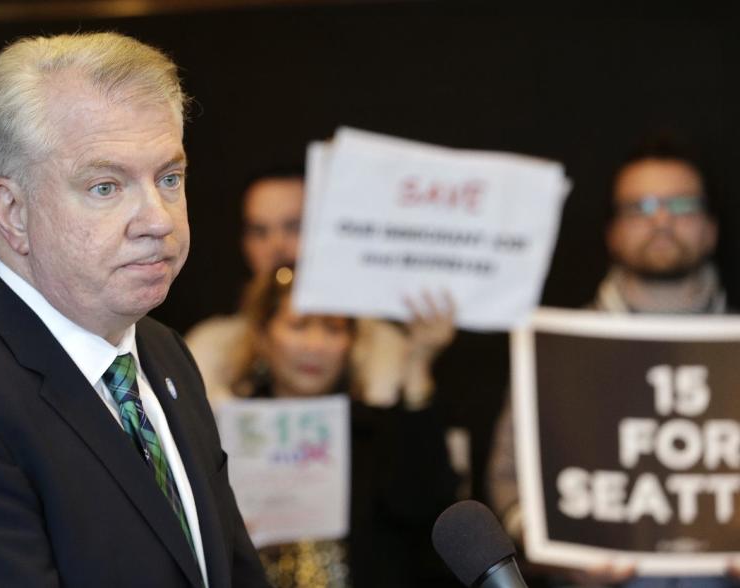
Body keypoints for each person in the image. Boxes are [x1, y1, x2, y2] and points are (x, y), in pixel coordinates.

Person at [0, 32, 267, 587]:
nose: (158, 219)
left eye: (169, 178)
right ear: (13, 211)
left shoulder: (163, 352)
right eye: (105, 186)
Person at [488, 136, 733, 587]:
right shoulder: (558, 348)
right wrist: (554, 548)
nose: (661, 220)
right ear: (613, 232)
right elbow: (509, 479)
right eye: (640, 207)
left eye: (681, 205)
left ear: (712, 227)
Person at [228, 266, 459, 587]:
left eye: (333, 329)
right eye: (299, 326)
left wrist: (418, 364)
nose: (315, 345)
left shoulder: (375, 433)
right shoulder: (222, 438)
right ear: (263, 337)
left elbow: (426, 506)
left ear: (351, 343)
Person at [187, 171, 428, 410]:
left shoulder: (384, 347)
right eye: (259, 231)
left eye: (294, 227)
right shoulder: (210, 349)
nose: (277, 246)